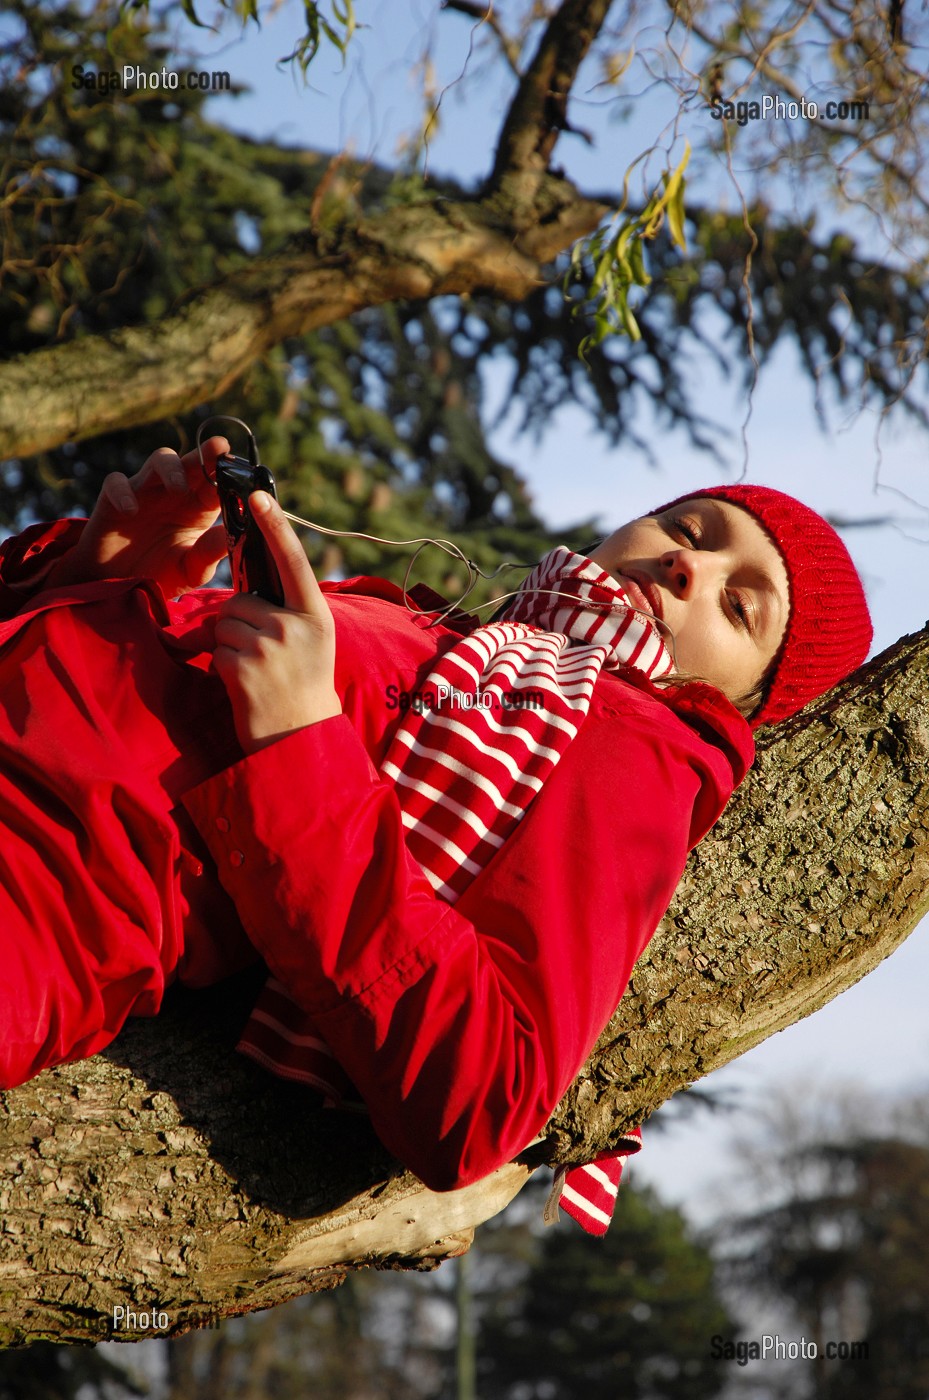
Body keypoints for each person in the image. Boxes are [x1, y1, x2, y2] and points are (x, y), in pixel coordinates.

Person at [0, 440, 871, 1199]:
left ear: (747, 704)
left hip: (38, 888)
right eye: (686, 529)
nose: (692, 566)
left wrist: (299, 736)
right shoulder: (447, 641)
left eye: (738, 606)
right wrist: (98, 576)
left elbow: (486, 1091)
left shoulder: (633, 747)